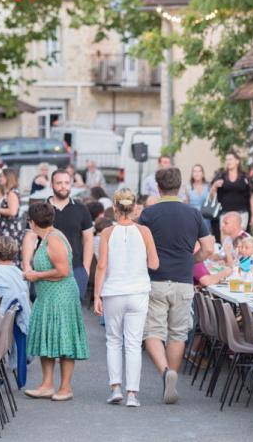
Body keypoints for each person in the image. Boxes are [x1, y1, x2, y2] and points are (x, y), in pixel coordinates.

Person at [139, 166, 215, 404]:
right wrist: (192, 260)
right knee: (178, 333)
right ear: (181, 186)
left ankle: (165, 373)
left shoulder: (149, 214)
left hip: (156, 279)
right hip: (183, 281)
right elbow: (208, 248)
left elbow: (139, 245)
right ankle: (172, 375)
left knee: (152, 332)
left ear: (158, 188)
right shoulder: (193, 214)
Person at [92, 189, 158, 407]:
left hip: (113, 291)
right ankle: (132, 394)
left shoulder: (107, 233)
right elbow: (154, 264)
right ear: (135, 209)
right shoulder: (145, 231)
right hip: (138, 291)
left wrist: (96, 295)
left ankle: (115, 388)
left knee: (113, 340)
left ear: (114, 208)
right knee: (133, 342)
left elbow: (101, 266)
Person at [22, 201, 88, 400]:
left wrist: (36, 276)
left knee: (63, 339)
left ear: (32, 222)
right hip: (48, 297)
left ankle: (65, 387)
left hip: (61, 296)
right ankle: (47, 384)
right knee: (47, 337)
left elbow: (64, 271)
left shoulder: (54, 239)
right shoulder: (48, 237)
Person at [43, 170, 94, 302]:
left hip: (75, 268)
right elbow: (30, 239)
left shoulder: (81, 209)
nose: (63, 186)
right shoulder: (41, 209)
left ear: (71, 184)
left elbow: (88, 240)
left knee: (72, 312)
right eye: (59, 183)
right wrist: (27, 265)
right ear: (52, 185)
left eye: (66, 182)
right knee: (49, 311)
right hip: (46, 269)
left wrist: (86, 268)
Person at [209, 152, 253, 236]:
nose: (228, 162)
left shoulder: (245, 177)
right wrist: (214, 186)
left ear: (237, 161)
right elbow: (212, 197)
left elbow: (251, 196)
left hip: (242, 214)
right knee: (226, 240)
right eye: (226, 160)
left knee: (241, 239)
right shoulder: (221, 176)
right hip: (225, 214)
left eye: (230, 159)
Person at [0, 168, 23, 241]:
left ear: (8, 178)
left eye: (2, 176)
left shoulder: (12, 193)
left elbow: (13, 212)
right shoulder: (9, 192)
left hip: (10, 229)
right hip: (6, 228)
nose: (0, 178)